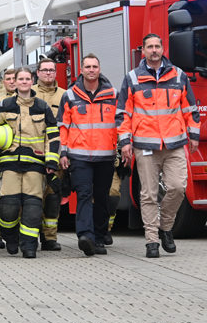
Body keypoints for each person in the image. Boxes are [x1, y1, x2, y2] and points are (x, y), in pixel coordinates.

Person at [116, 34, 200, 258]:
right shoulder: (132, 78)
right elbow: (123, 113)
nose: (154, 50)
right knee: (149, 195)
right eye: (149, 47)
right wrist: (125, 142)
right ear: (142, 50)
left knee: (177, 188)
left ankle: (165, 227)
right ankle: (152, 241)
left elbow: (190, 108)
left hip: (174, 143)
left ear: (162, 49)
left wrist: (194, 134)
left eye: (157, 46)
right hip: (145, 144)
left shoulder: (178, 75)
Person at [0, 67, 60, 259]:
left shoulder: (42, 107)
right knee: (8, 206)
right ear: (15, 82)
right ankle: (11, 238)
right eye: (21, 79)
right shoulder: (4, 105)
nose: (24, 82)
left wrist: (51, 161)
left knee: (33, 207)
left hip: (35, 164)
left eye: (27, 79)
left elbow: (53, 136)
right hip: (9, 163)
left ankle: (29, 245)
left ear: (31, 81)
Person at [58, 54, 117, 256]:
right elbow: (63, 127)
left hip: (106, 156)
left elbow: (121, 124)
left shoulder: (113, 94)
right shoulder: (70, 95)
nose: (91, 69)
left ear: (99, 69)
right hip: (79, 156)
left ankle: (99, 238)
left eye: (94, 66)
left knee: (102, 197)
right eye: (87, 66)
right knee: (84, 195)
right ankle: (86, 236)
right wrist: (63, 152)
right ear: (81, 70)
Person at [32, 58, 65, 251]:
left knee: (53, 197)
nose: (48, 74)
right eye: (44, 70)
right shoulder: (29, 93)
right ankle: (28, 236)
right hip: (34, 155)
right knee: (32, 198)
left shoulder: (65, 96)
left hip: (56, 154)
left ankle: (49, 238)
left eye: (51, 70)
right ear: (37, 73)